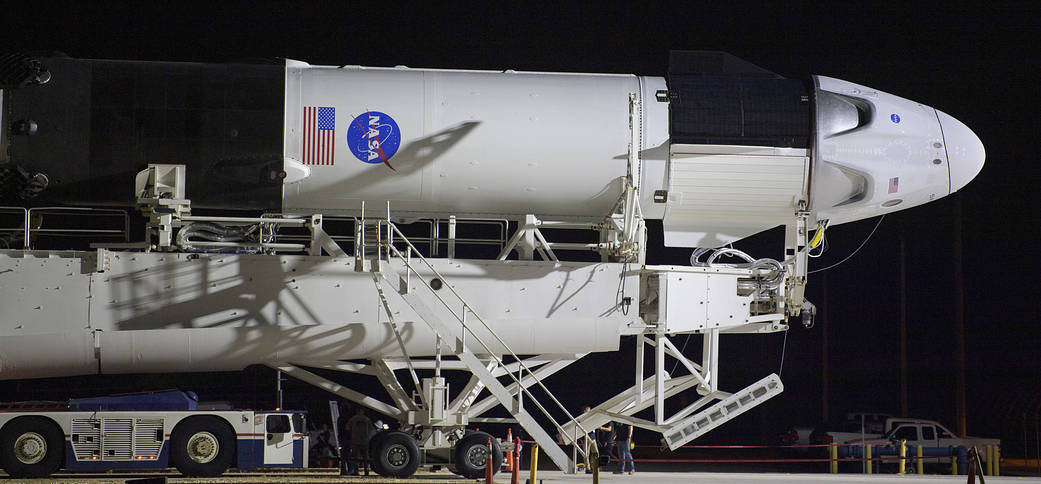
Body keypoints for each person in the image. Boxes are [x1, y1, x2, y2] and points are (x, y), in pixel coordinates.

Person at [346, 407, 372, 475]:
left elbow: (347, 428)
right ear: (363, 411)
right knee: (366, 457)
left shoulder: (353, 419)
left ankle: (356, 471)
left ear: (357, 411)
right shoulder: (367, 419)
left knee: (356, 458)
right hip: (365, 441)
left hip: (355, 441)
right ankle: (366, 471)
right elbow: (370, 429)